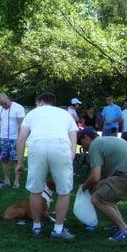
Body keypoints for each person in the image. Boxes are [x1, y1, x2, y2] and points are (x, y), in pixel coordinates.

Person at [16, 92, 78, 240]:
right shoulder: (66, 115)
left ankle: (36, 227)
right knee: (64, 191)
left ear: (40, 102)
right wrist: (68, 161)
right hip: (61, 146)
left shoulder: (32, 113)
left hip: (37, 147)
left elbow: (21, 140)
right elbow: (73, 144)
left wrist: (19, 163)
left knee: (35, 190)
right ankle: (58, 230)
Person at [78, 127, 127, 241]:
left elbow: (95, 177)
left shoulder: (95, 145)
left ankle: (126, 230)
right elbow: (99, 178)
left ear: (86, 138)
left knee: (97, 199)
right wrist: (94, 184)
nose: (82, 147)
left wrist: (84, 188)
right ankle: (118, 225)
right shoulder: (106, 140)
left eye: (81, 142)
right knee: (107, 197)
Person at [0, 93, 25, 188]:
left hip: (15, 139)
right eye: (1, 104)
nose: (3, 106)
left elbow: (22, 126)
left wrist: (21, 140)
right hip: (3, 139)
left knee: (17, 160)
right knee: (4, 160)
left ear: (7, 99)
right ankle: (7, 179)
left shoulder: (18, 108)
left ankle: (17, 181)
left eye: (5, 103)